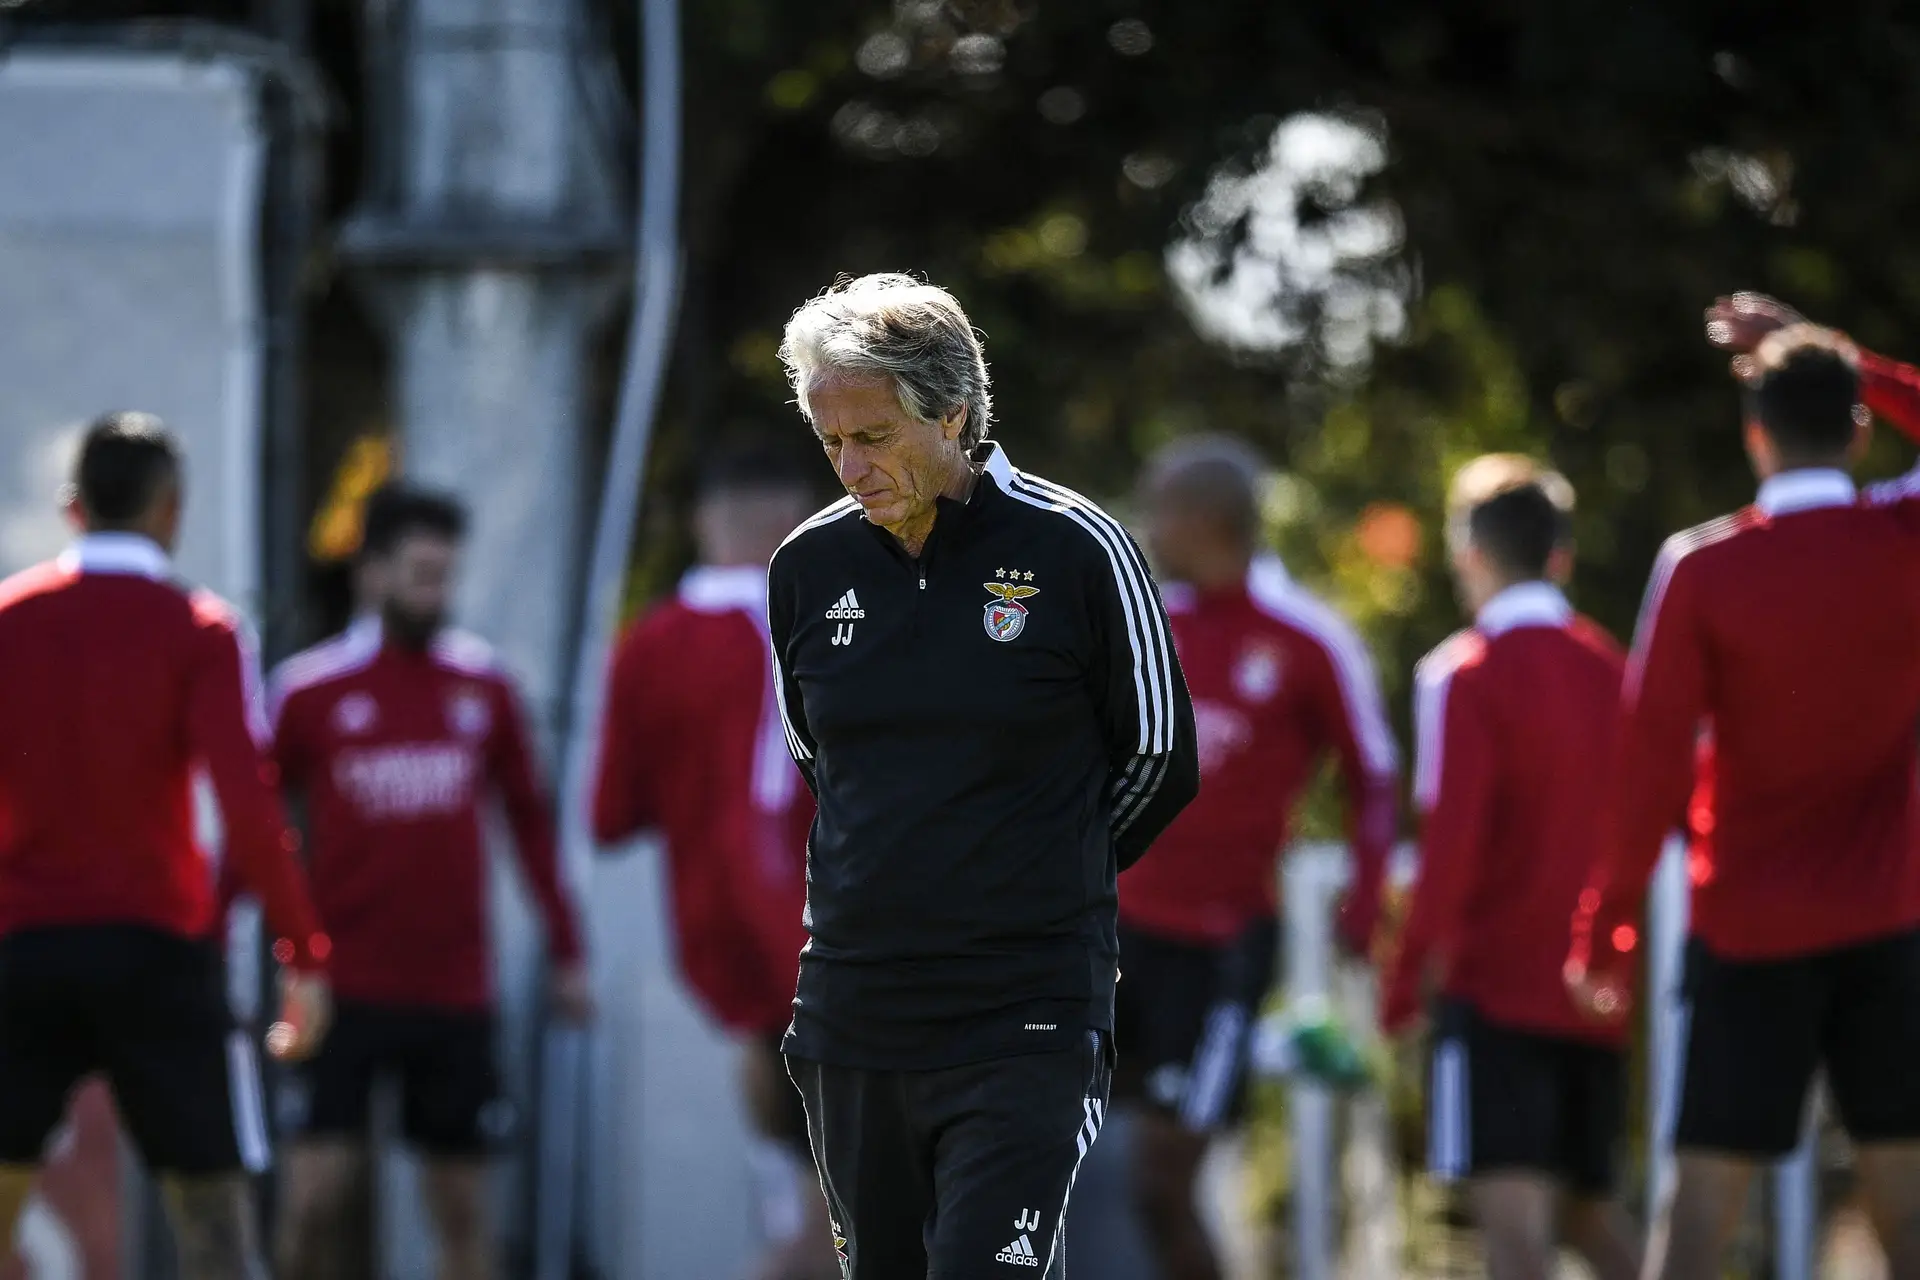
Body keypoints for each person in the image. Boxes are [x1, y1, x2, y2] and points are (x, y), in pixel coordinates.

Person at [767, 273, 1199, 1278]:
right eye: (830, 439)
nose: (848, 464)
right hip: (854, 1012)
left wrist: (1036, 870)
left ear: (953, 411)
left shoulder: (1077, 547)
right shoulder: (803, 568)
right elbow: (821, 762)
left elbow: (1159, 758)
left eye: (872, 435)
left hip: (1027, 1009)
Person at [1567, 326, 1920, 1276]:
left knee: (1702, 1202)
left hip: (1747, 932)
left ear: (1752, 433)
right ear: (1857, 432)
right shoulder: (1902, 537)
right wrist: (1862, 364)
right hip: (1892, 922)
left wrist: (1608, 929)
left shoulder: (1703, 566)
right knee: (1906, 1193)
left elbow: (1649, 766)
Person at [0, 411, 331, 1279]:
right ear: (172, 509)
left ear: (73, 509)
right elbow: (249, 805)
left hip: (19, 949)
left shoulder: (8, 620)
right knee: (216, 1228)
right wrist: (304, 950)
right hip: (160, 952)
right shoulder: (200, 629)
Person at [269, 484, 591, 1280]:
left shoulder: (484, 689)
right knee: (314, 1203)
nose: (435, 593)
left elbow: (530, 829)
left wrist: (567, 950)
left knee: (463, 1212)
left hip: (453, 990)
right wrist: (222, 937)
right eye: (419, 573)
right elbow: (257, 831)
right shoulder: (308, 693)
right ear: (371, 572)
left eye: (445, 574)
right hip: (339, 986)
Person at [1116, 434, 1398, 1280]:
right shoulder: (1147, 621)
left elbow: (1375, 778)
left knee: (1166, 1179)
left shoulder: (1307, 637)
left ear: (1204, 521)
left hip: (1222, 953)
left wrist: (1364, 900)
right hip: (1117, 935)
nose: (1147, 527)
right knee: (1074, 1170)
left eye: (1159, 508)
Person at [1383, 455, 1640, 1280]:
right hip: (1595, 994)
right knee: (1590, 1221)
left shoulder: (1461, 674)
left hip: (1495, 993)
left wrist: (1407, 971)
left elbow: (1451, 844)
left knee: (1513, 1232)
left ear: (1469, 555)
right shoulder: (1616, 669)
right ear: (1560, 556)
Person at [592, 446, 836, 1280]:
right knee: (850, 1201)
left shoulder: (649, 643)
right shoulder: (805, 628)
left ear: (706, 522)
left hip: (717, 949)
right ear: (790, 525)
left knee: (799, 1175)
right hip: (820, 940)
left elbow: (612, 814)